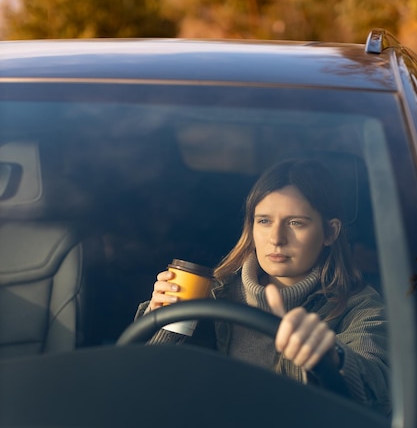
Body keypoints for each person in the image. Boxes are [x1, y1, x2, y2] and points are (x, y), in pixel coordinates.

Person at [135, 158, 390, 413]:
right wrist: (163, 321)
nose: (276, 239)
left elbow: (374, 384)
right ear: (251, 227)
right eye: (264, 221)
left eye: (296, 223)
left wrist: (330, 357)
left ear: (330, 233)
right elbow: (143, 386)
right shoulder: (211, 295)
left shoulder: (361, 308)